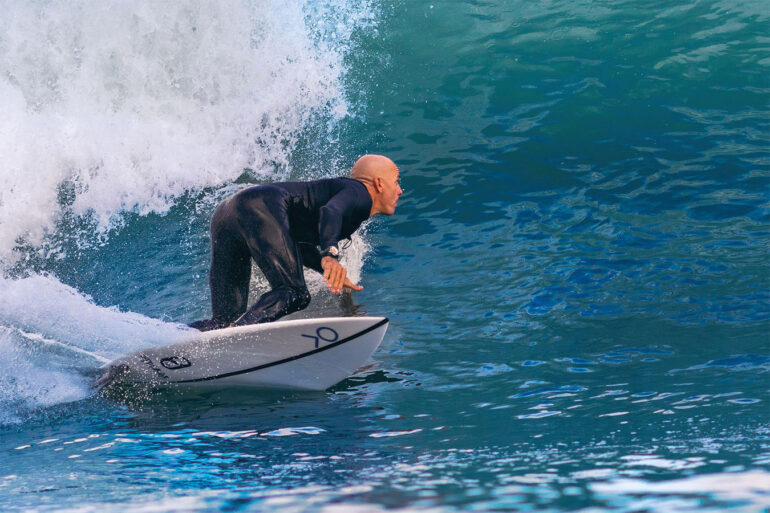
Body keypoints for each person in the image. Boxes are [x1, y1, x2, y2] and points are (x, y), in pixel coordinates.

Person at [189, 154, 402, 331]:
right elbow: (332, 211)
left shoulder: (343, 194)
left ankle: (172, 338)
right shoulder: (360, 193)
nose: (400, 190)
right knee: (295, 292)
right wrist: (330, 255)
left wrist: (323, 267)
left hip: (229, 213)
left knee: (222, 322)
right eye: (396, 182)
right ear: (379, 184)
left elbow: (292, 242)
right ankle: (235, 335)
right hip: (259, 206)